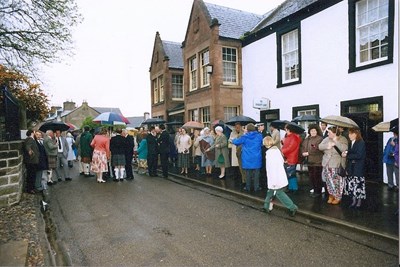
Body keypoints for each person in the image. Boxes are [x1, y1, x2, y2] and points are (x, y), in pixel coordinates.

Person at [262, 136, 298, 216]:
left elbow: (272, 168)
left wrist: (274, 181)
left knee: (279, 193)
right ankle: (266, 206)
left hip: (275, 178)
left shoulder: (270, 154)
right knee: (270, 192)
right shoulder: (276, 150)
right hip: (279, 176)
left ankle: (292, 207)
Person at [319, 126, 349, 205]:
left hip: (336, 163)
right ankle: (331, 194)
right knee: (328, 181)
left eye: (329, 132)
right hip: (326, 163)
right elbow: (320, 146)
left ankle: (338, 197)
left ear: (335, 133)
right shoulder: (326, 139)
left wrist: (336, 141)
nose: (328, 133)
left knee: (337, 182)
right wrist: (327, 146)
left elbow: (345, 148)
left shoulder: (343, 139)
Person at [232, 123, 263, 191]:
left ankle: (248, 187)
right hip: (256, 157)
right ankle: (256, 187)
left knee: (248, 173)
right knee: (256, 173)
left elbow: (236, 142)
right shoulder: (259, 136)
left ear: (248, 129)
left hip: (247, 157)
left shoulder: (244, 137)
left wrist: (233, 139)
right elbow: (262, 143)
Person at [343, 128, 366, 208]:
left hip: (358, 167)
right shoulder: (350, 143)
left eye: (351, 134)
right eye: (349, 134)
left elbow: (359, 155)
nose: (349, 135)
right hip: (350, 167)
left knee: (358, 185)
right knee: (352, 184)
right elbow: (351, 152)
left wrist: (347, 156)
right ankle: (353, 201)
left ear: (356, 134)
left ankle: (359, 202)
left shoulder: (361, 143)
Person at [301, 124, 324, 198]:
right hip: (309, 161)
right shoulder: (307, 139)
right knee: (312, 177)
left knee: (317, 177)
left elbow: (318, 149)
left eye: (314, 131)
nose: (313, 132)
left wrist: (308, 153)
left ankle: (318, 191)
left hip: (317, 161)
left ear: (317, 131)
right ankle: (315, 189)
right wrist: (303, 152)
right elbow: (303, 146)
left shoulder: (320, 139)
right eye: (311, 131)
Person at [281, 124, 302, 192]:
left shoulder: (293, 137)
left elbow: (291, 148)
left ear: (288, 129)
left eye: (285, 128)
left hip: (291, 158)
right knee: (289, 173)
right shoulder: (290, 137)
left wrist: (282, 151)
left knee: (291, 174)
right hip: (288, 157)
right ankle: (291, 187)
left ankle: (294, 188)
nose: (284, 130)